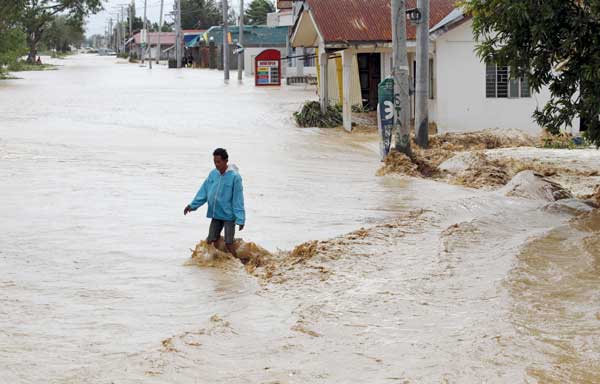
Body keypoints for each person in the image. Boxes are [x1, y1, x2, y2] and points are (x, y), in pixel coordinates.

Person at [184, 148, 245, 259]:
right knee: (211, 240)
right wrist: (192, 205)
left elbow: (238, 199)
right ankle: (217, 264)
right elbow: (204, 191)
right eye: (215, 162)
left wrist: (240, 218)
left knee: (228, 242)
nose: (216, 165)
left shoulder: (235, 177)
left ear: (226, 161)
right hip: (216, 214)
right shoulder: (213, 174)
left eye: (219, 162)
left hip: (229, 216)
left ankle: (238, 266)